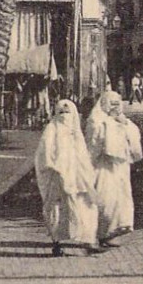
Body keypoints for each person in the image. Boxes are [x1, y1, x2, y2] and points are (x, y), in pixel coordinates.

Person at [34, 99, 101, 257]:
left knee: (86, 206)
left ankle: (88, 241)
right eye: (61, 113)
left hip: (78, 178)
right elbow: (44, 153)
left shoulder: (75, 133)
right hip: (58, 178)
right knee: (57, 210)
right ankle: (56, 244)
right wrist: (54, 167)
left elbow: (83, 154)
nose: (64, 116)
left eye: (68, 113)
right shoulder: (51, 130)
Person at [85, 91, 143, 246]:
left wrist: (123, 124)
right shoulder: (96, 121)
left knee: (119, 201)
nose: (115, 107)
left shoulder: (124, 122)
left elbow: (134, 142)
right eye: (111, 104)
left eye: (117, 104)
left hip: (120, 169)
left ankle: (110, 233)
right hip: (103, 167)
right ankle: (97, 235)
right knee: (104, 201)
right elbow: (93, 146)